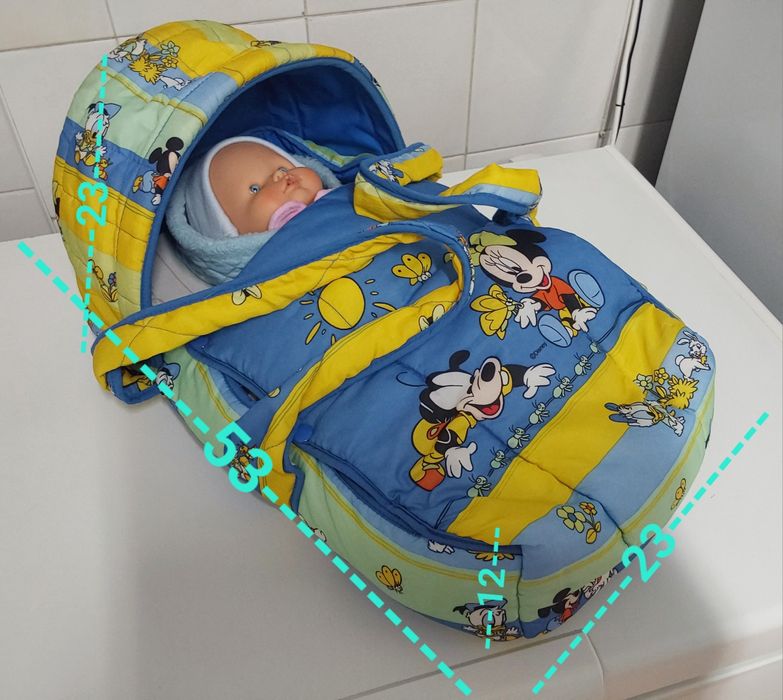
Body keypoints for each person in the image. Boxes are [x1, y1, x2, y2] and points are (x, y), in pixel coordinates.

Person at [164, 135, 339, 284]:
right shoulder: (262, 284)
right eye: (255, 189)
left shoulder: (347, 198)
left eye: (283, 168)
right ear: (232, 236)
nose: (279, 175)